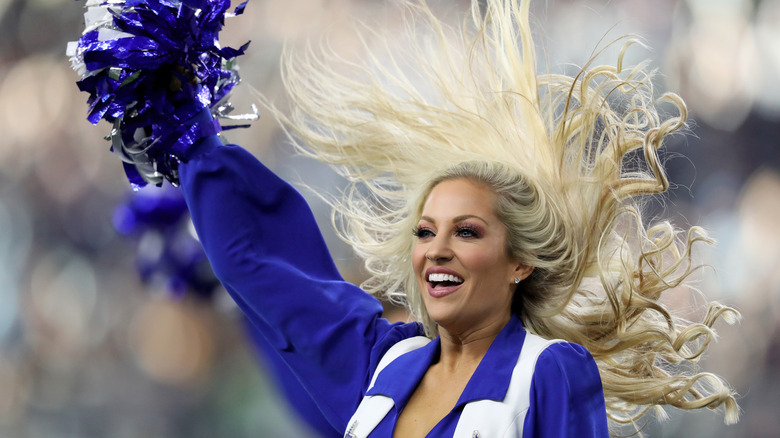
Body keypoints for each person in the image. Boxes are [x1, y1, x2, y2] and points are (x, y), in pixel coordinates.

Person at [86, 0, 741, 436]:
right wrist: (191, 139)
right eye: (426, 232)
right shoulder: (385, 364)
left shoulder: (550, 373)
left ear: (520, 262)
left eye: (467, 232)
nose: (437, 251)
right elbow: (275, 279)